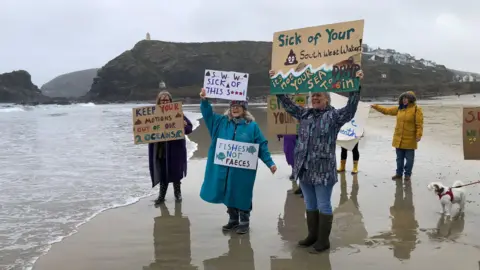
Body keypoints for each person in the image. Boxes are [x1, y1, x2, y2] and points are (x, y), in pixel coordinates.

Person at [270, 69, 363, 253]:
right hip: (304, 168)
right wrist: (277, 83)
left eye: (319, 96)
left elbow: (351, 109)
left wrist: (356, 87)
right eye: (314, 96)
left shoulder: (334, 116)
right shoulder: (305, 114)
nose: (315, 98)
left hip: (323, 169)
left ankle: (323, 241)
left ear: (327, 99)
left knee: (323, 204)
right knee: (310, 204)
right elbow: (287, 104)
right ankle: (312, 235)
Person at [198, 88, 277, 234]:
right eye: (233, 106)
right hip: (224, 167)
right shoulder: (220, 123)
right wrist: (204, 100)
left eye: (238, 106)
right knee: (228, 191)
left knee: (242, 193)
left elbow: (261, 145)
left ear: (244, 109)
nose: (235, 108)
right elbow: (207, 114)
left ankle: (244, 221)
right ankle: (233, 220)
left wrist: (270, 163)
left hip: (244, 170)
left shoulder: (252, 126)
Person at [148, 90, 193, 204]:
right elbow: (145, 131)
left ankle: (177, 195)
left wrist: (185, 125)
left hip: (175, 149)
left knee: (176, 172)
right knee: (163, 173)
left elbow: (189, 129)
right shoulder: (152, 115)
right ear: (158, 101)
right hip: (160, 150)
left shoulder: (177, 113)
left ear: (170, 101)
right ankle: (161, 197)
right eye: (162, 100)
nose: (164, 102)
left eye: (166, 100)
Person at [371, 91, 424, 181]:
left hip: (410, 139)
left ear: (411, 99)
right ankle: (398, 174)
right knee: (399, 159)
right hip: (398, 138)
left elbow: (419, 124)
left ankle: (407, 174)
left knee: (409, 159)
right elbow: (386, 111)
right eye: (403, 98)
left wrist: (418, 135)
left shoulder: (416, 109)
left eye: (406, 98)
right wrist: (376, 106)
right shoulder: (399, 109)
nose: (404, 100)